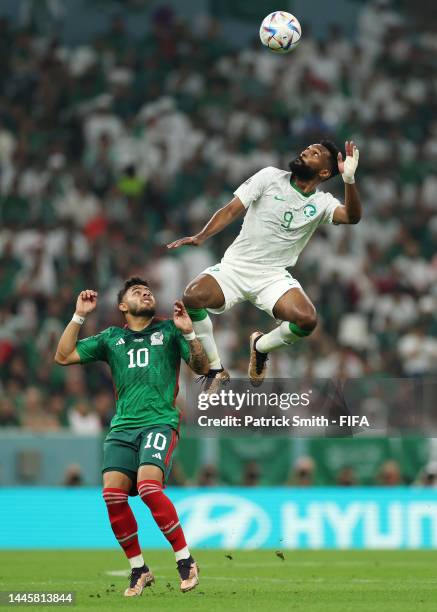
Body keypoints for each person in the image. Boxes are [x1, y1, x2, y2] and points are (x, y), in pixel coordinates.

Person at [54, 277, 209, 596]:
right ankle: (139, 569)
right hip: (122, 426)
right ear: (123, 306)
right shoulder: (112, 338)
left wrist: (189, 333)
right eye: (137, 292)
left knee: (149, 488)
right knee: (112, 495)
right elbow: (64, 356)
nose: (146, 292)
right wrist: (79, 315)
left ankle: (185, 560)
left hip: (158, 422)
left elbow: (202, 366)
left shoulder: (168, 330)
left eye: (149, 290)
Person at [168, 141, 361, 387]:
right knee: (192, 296)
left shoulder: (322, 203)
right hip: (235, 267)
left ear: (324, 172)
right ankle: (216, 368)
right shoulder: (269, 177)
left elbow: (352, 217)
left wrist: (350, 180)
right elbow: (230, 210)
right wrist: (201, 237)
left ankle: (260, 347)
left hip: (272, 277)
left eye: (314, 154)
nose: (304, 152)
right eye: (306, 149)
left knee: (307, 320)